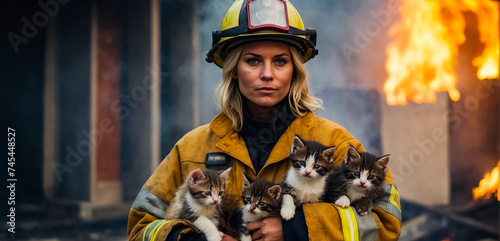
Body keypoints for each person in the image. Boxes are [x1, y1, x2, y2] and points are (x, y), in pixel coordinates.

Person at [127, 0, 402, 240]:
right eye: (253, 60)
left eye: (280, 61)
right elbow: (141, 227)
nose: (267, 74)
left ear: (294, 70)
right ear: (234, 69)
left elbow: (386, 223)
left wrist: (298, 230)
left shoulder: (335, 144)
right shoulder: (192, 148)